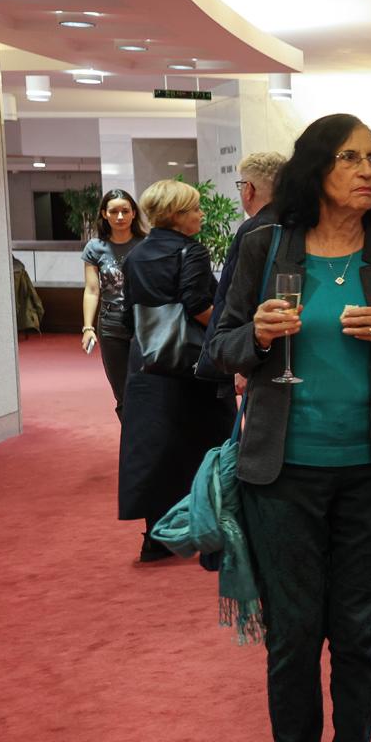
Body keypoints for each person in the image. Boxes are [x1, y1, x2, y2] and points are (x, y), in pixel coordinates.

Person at [208, 114, 371, 742]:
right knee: (295, 636)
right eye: (349, 158)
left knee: (360, 636)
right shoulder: (263, 244)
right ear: (315, 168)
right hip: (284, 472)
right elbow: (219, 350)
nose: (367, 170)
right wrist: (260, 337)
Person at [118, 180, 235, 563]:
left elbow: (126, 315)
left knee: (154, 450)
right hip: (191, 366)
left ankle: (156, 534)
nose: (201, 215)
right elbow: (197, 303)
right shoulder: (191, 251)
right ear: (177, 215)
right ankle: (206, 530)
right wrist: (227, 332)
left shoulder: (135, 255)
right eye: (195, 209)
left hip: (146, 363)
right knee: (207, 443)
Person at [199, 151, 285, 385]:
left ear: (248, 189)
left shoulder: (253, 231)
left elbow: (234, 298)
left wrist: (240, 365)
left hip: (256, 346)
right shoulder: (302, 224)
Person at [80, 189, 146, 419]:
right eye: (114, 211)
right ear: (104, 214)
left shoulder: (146, 244)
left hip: (144, 323)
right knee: (123, 392)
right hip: (111, 324)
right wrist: (87, 327)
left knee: (146, 387)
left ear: (134, 213)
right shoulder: (95, 248)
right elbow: (92, 289)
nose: (120, 216)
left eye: (125, 211)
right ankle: (132, 446)